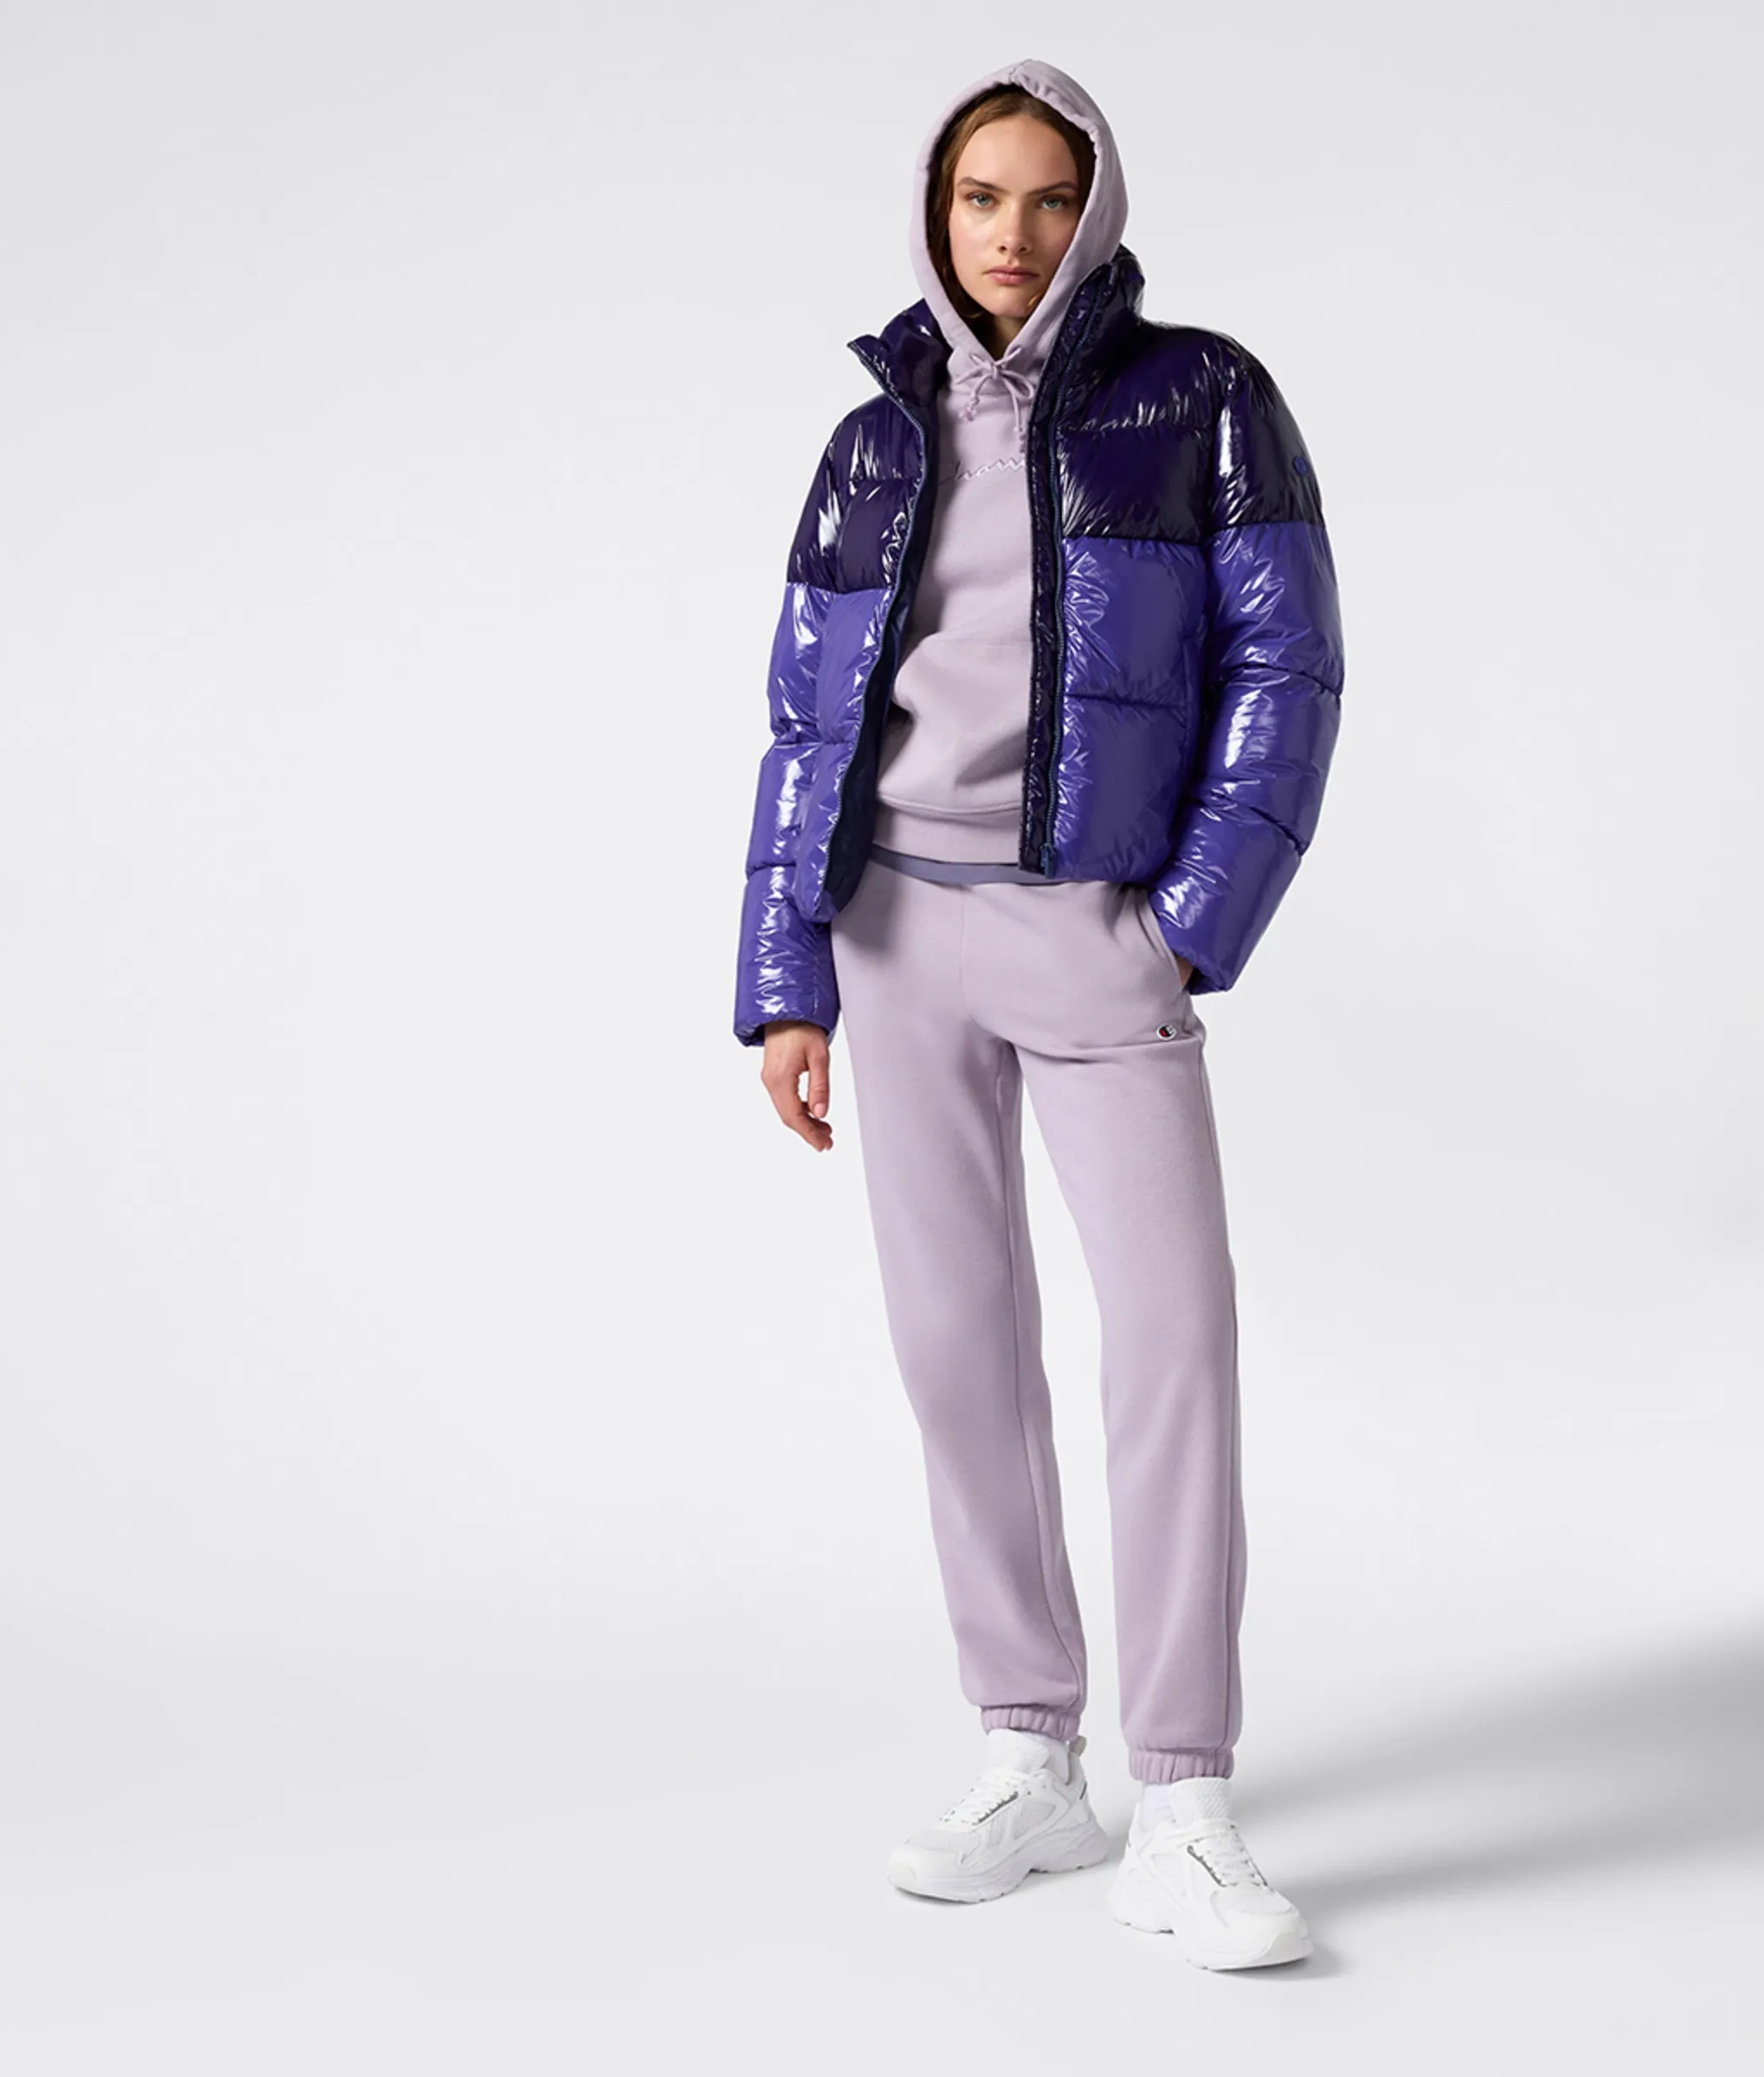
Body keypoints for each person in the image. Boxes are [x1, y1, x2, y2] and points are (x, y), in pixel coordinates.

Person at [731, 57, 1343, 1971]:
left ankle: (1186, 1802)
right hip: (894, 934)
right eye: (981, 198)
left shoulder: (1204, 400)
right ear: (940, 213)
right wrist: (788, 978)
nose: (1013, 232)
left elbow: (1290, 671)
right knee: (955, 1350)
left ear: (1099, 211)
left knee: (1173, 1344)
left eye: (1048, 198)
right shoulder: (873, 437)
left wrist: (1184, 929)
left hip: (1096, 934)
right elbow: (806, 721)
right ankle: (1029, 1753)